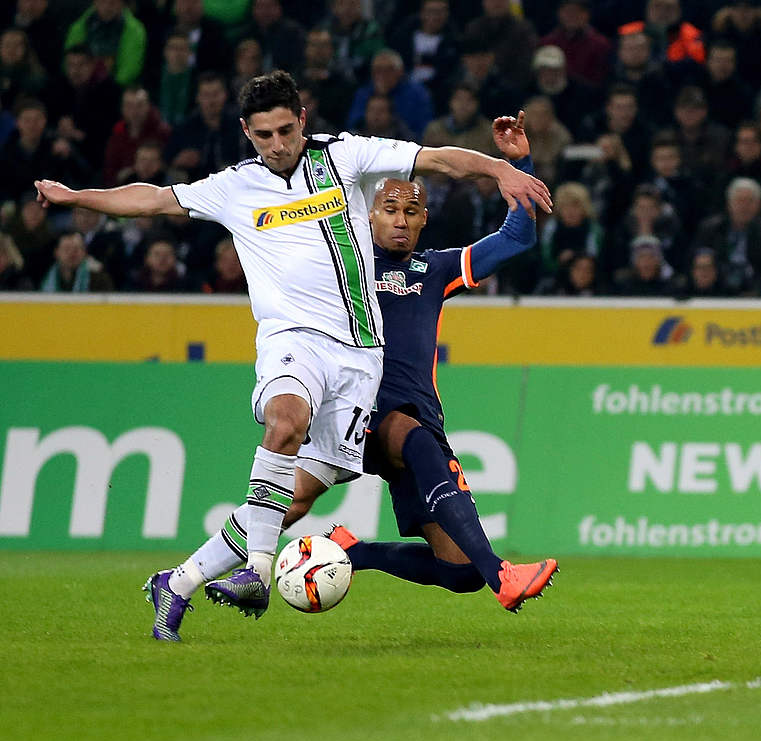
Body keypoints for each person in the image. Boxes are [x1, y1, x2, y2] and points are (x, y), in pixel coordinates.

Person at [34, 70, 550, 642]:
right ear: (246, 133)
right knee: (298, 421)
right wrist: (79, 196)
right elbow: (153, 200)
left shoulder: (353, 169)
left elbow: (442, 163)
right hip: (295, 344)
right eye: (263, 136)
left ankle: (178, 582)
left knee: (294, 502)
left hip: (358, 365)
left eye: (285, 130)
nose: (277, 146)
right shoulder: (234, 187)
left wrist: (504, 167)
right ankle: (261, 569)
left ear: (302, 120)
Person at [276, 112, 557, 611]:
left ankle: (354, 551)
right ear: (368, 216)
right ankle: (503, 574)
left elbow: (517, 238)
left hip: (418, 420)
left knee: (457, 571)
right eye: (389, 209)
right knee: (412, 437)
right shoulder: (345, 265)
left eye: (411, 211)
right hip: (362, 415)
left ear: (424, 219)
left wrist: (520, 162)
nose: (400, 219)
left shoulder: (435, 269)